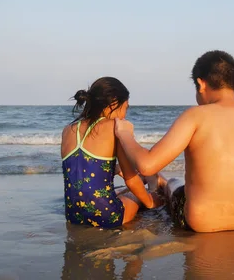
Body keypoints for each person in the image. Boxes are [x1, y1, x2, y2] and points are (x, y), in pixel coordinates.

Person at [115, 50, 234, 233]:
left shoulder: (195, 116)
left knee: (174, 184)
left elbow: (147, 165)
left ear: (201, 84)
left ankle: (163, 182)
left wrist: (125, 134)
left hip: (199, 223)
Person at [61, 77, 163, 228]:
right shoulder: (115, 126)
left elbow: (83, 166)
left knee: (119, 192)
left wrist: (115, 170)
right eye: (126, 108)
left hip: (73, 215)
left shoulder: (68, 130)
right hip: (107, 216)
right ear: (114, 102)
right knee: (134, 195)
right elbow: (131, 179)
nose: (124, 115)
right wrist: (150, 201)